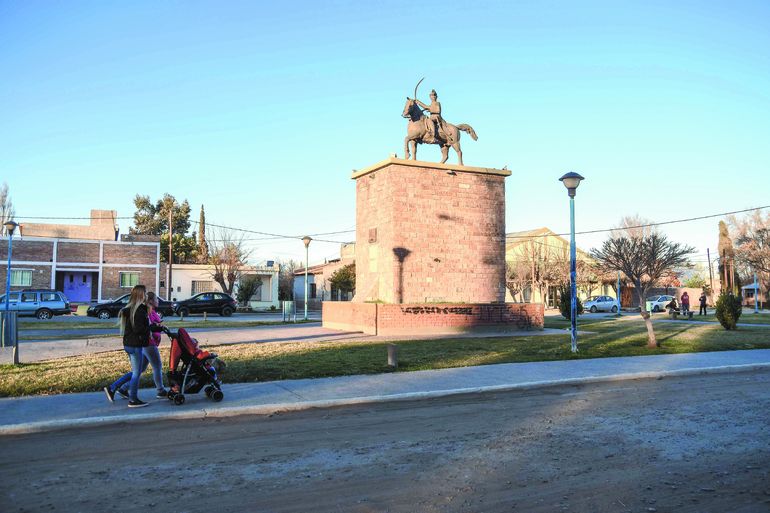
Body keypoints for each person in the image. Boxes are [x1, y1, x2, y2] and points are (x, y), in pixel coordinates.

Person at [103, 284, 159, 408]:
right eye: (145, 293)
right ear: (141, 295)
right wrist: (152, 327)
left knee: (136, 371)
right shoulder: (138, 311)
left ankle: (113, 388)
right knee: (136, 373)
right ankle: (133, 400)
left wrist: (154, 327)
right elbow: (139, 329)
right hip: (135, 345)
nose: (146, 295)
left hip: (129, 344)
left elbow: (140, 327)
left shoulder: (131, 309)